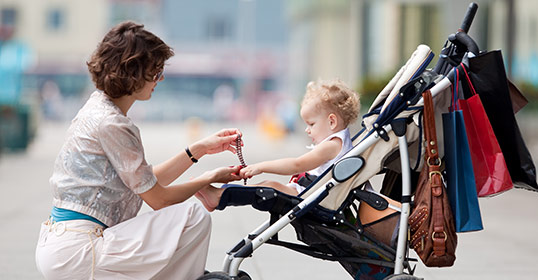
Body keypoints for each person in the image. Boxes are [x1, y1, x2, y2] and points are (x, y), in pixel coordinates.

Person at [35, 21, 242, 280]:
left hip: (63, 244)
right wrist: (209, 179)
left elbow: (144, 181)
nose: (161, 79)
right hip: (80, 249)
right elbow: (158, 199)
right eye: (156, 72)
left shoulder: (97, 108)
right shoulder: (113, 123)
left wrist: (198, 150)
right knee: (194, 215)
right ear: (133, 73)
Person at [195, 78, 360, 212]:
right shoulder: (339, 142)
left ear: (331, 121)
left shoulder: (332, 146)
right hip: (310, 191)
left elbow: (297, 165)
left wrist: (261, 166)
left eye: (311, 124)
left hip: (312, 196)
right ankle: (220, 194)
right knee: (267, 187)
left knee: (268, 188)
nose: (307, 130)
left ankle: (219, 196)